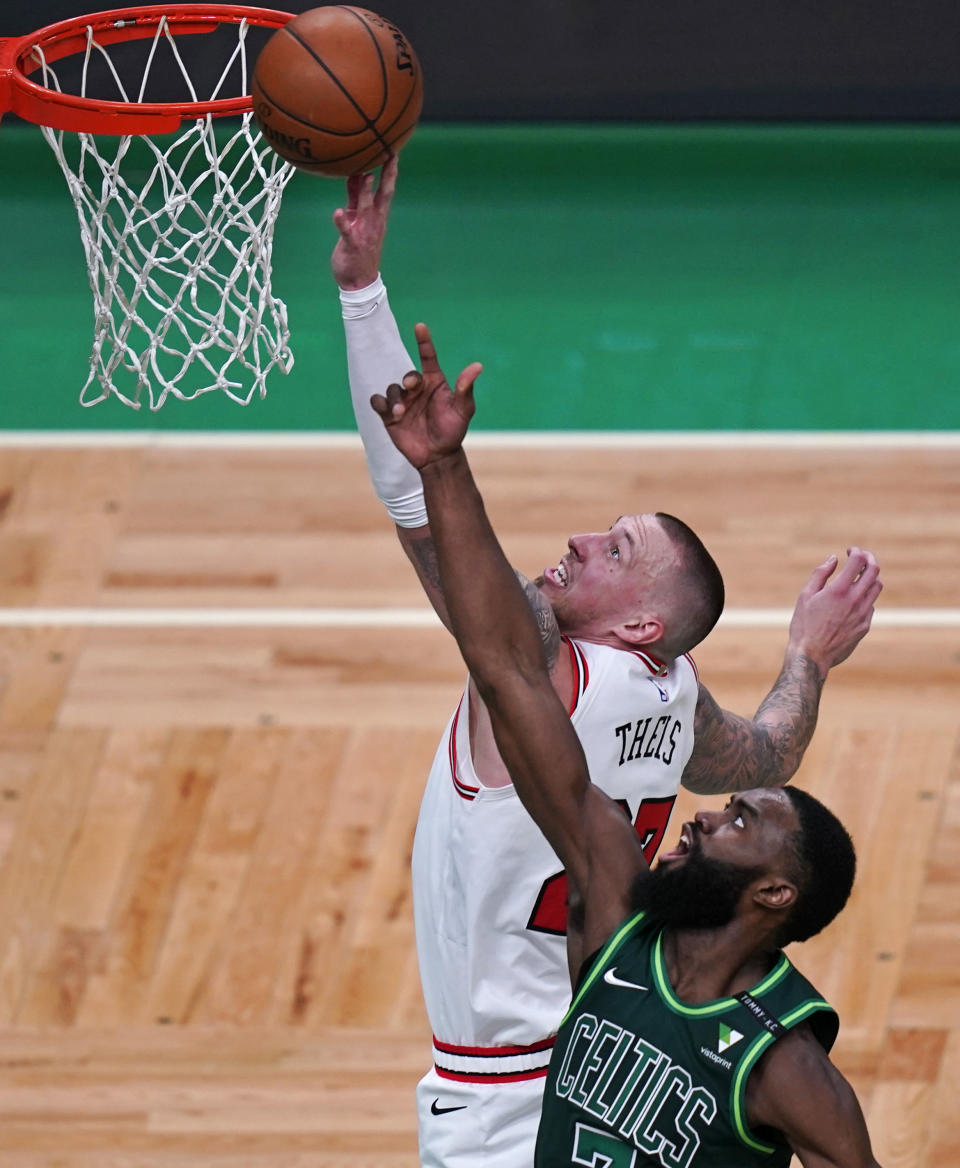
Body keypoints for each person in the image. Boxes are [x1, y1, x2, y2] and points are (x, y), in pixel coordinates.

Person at [331, 160, 882, 1166]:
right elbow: (765, 756)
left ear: (639, 625)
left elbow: (418, 514)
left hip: (505, 1087)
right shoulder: (675, 699)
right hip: (627, 1048)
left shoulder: (543, 667)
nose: (583, 542)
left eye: (617, 550)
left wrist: (362, 297)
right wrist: (808, 655)